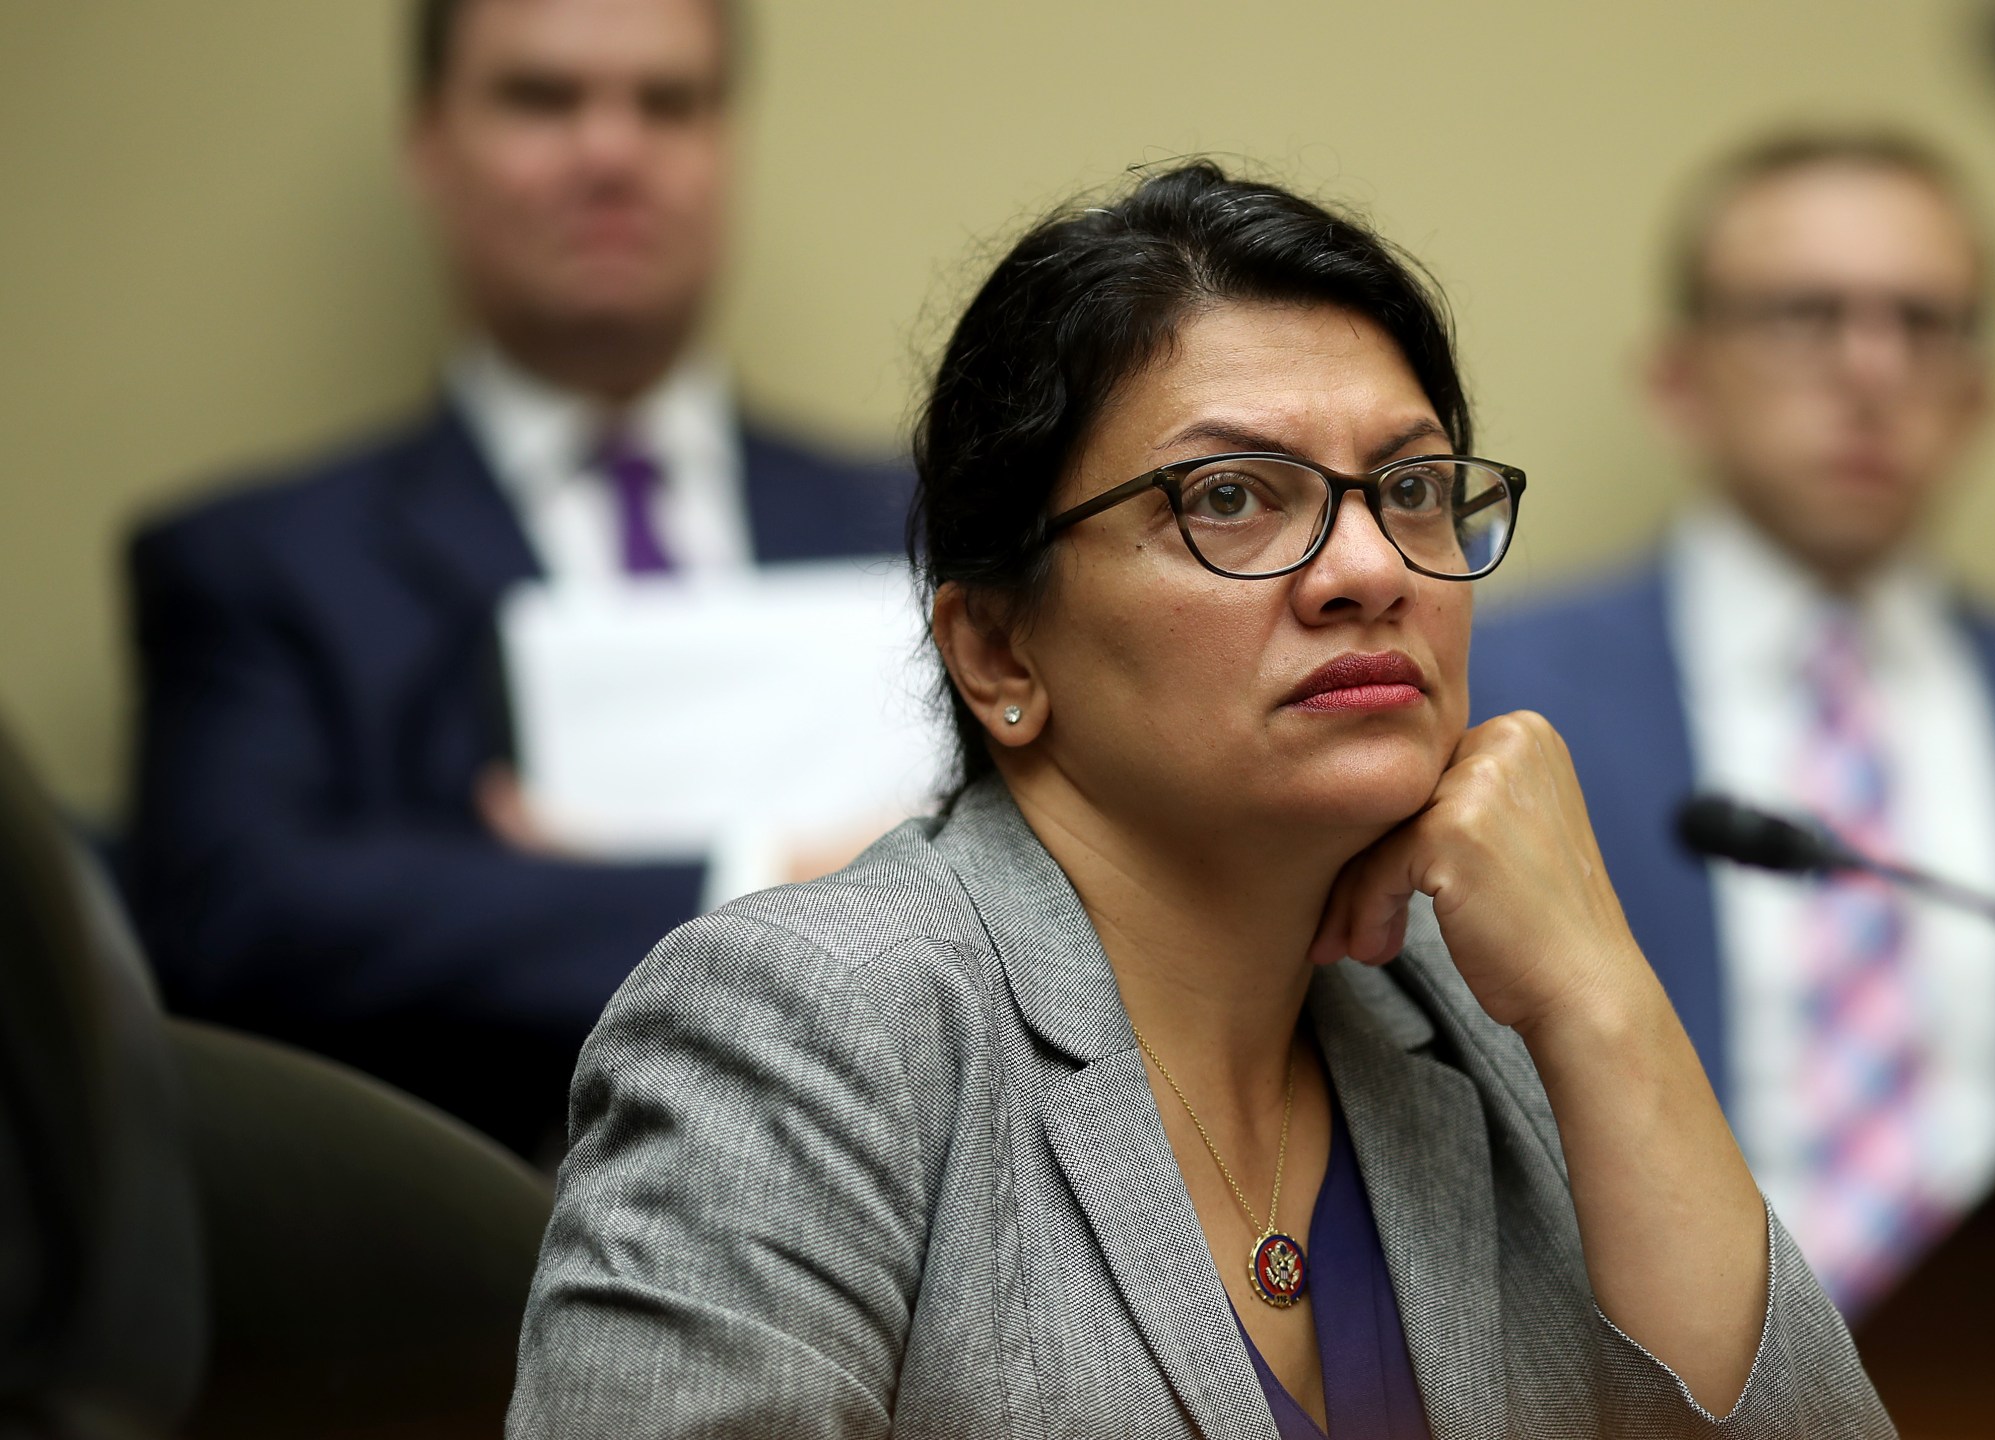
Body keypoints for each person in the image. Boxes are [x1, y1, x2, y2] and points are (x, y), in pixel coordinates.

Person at [507, 163, 1895, 1438]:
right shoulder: (809, 1027)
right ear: (1000, 649)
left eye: (1411, 489)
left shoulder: (1485, 1011)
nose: (1369, 567)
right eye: (1230, 496)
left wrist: (1605, 997)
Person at [122, 0, 909, 1158]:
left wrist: (530, 901)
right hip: (475, 1273)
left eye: (668, 102)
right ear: (429, 145)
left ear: (723, 142)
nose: (612, 151)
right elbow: (234, 916)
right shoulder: (260, 565)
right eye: (543, 98)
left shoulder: (921, 527)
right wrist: (762, 881)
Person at [1469, 129, 1995, 1317]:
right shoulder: (1497, 694)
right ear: (1676, 377)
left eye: (1924, 324)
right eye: (1802, 315)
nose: (1870, 370)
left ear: (1981, 392)